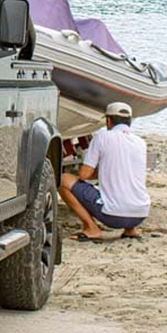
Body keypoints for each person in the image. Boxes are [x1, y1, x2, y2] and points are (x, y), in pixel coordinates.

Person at [59, 102, 151, 243]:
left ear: (108, 121)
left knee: (64, 180)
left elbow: (84, 175)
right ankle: (130, 229)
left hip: (113, 215)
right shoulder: (140, 143)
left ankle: (91, 228)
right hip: (140, 214)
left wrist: (95, 174)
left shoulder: (102, 138)